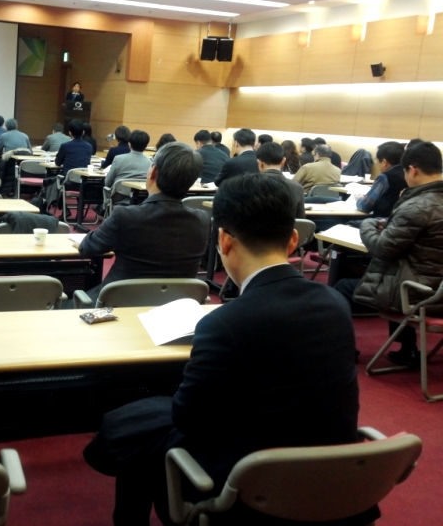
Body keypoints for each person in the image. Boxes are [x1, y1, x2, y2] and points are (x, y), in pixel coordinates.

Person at [83, 173, 367, 526]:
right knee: (143, 419)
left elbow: (188, 419)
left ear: (224, 240)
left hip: (249, 488)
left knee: (136, 427)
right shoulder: (335, 302)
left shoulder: (226, 323)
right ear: (293, 239)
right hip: (331, 480)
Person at [336, 142, 443, 368]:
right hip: (435, 289)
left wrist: (368, 225)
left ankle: (343, 350)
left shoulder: (416, 206)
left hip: (419, 294)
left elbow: (382, 248)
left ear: (412, 170)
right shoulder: (424, 204)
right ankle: (408, 349)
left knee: (341, 288)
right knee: (401, 271)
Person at [77, 142, 209, 304]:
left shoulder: (125, 216)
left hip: (118, 305)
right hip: (174, 307)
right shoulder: (203, 220)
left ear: (153, 171)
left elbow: (87, 248)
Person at [354, 141, 407, 218]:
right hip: (401, 220)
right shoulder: (409, 174)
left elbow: (365, 206)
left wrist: (359, 199)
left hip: (381, 221)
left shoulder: (385, 177)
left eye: (377, 161)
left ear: (384, 162)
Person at [257, 142, 306, 218]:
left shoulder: (248, 185)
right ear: (283, 161)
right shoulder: (297, 188)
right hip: (287, 226)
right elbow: (301, 219)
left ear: (260, 163)